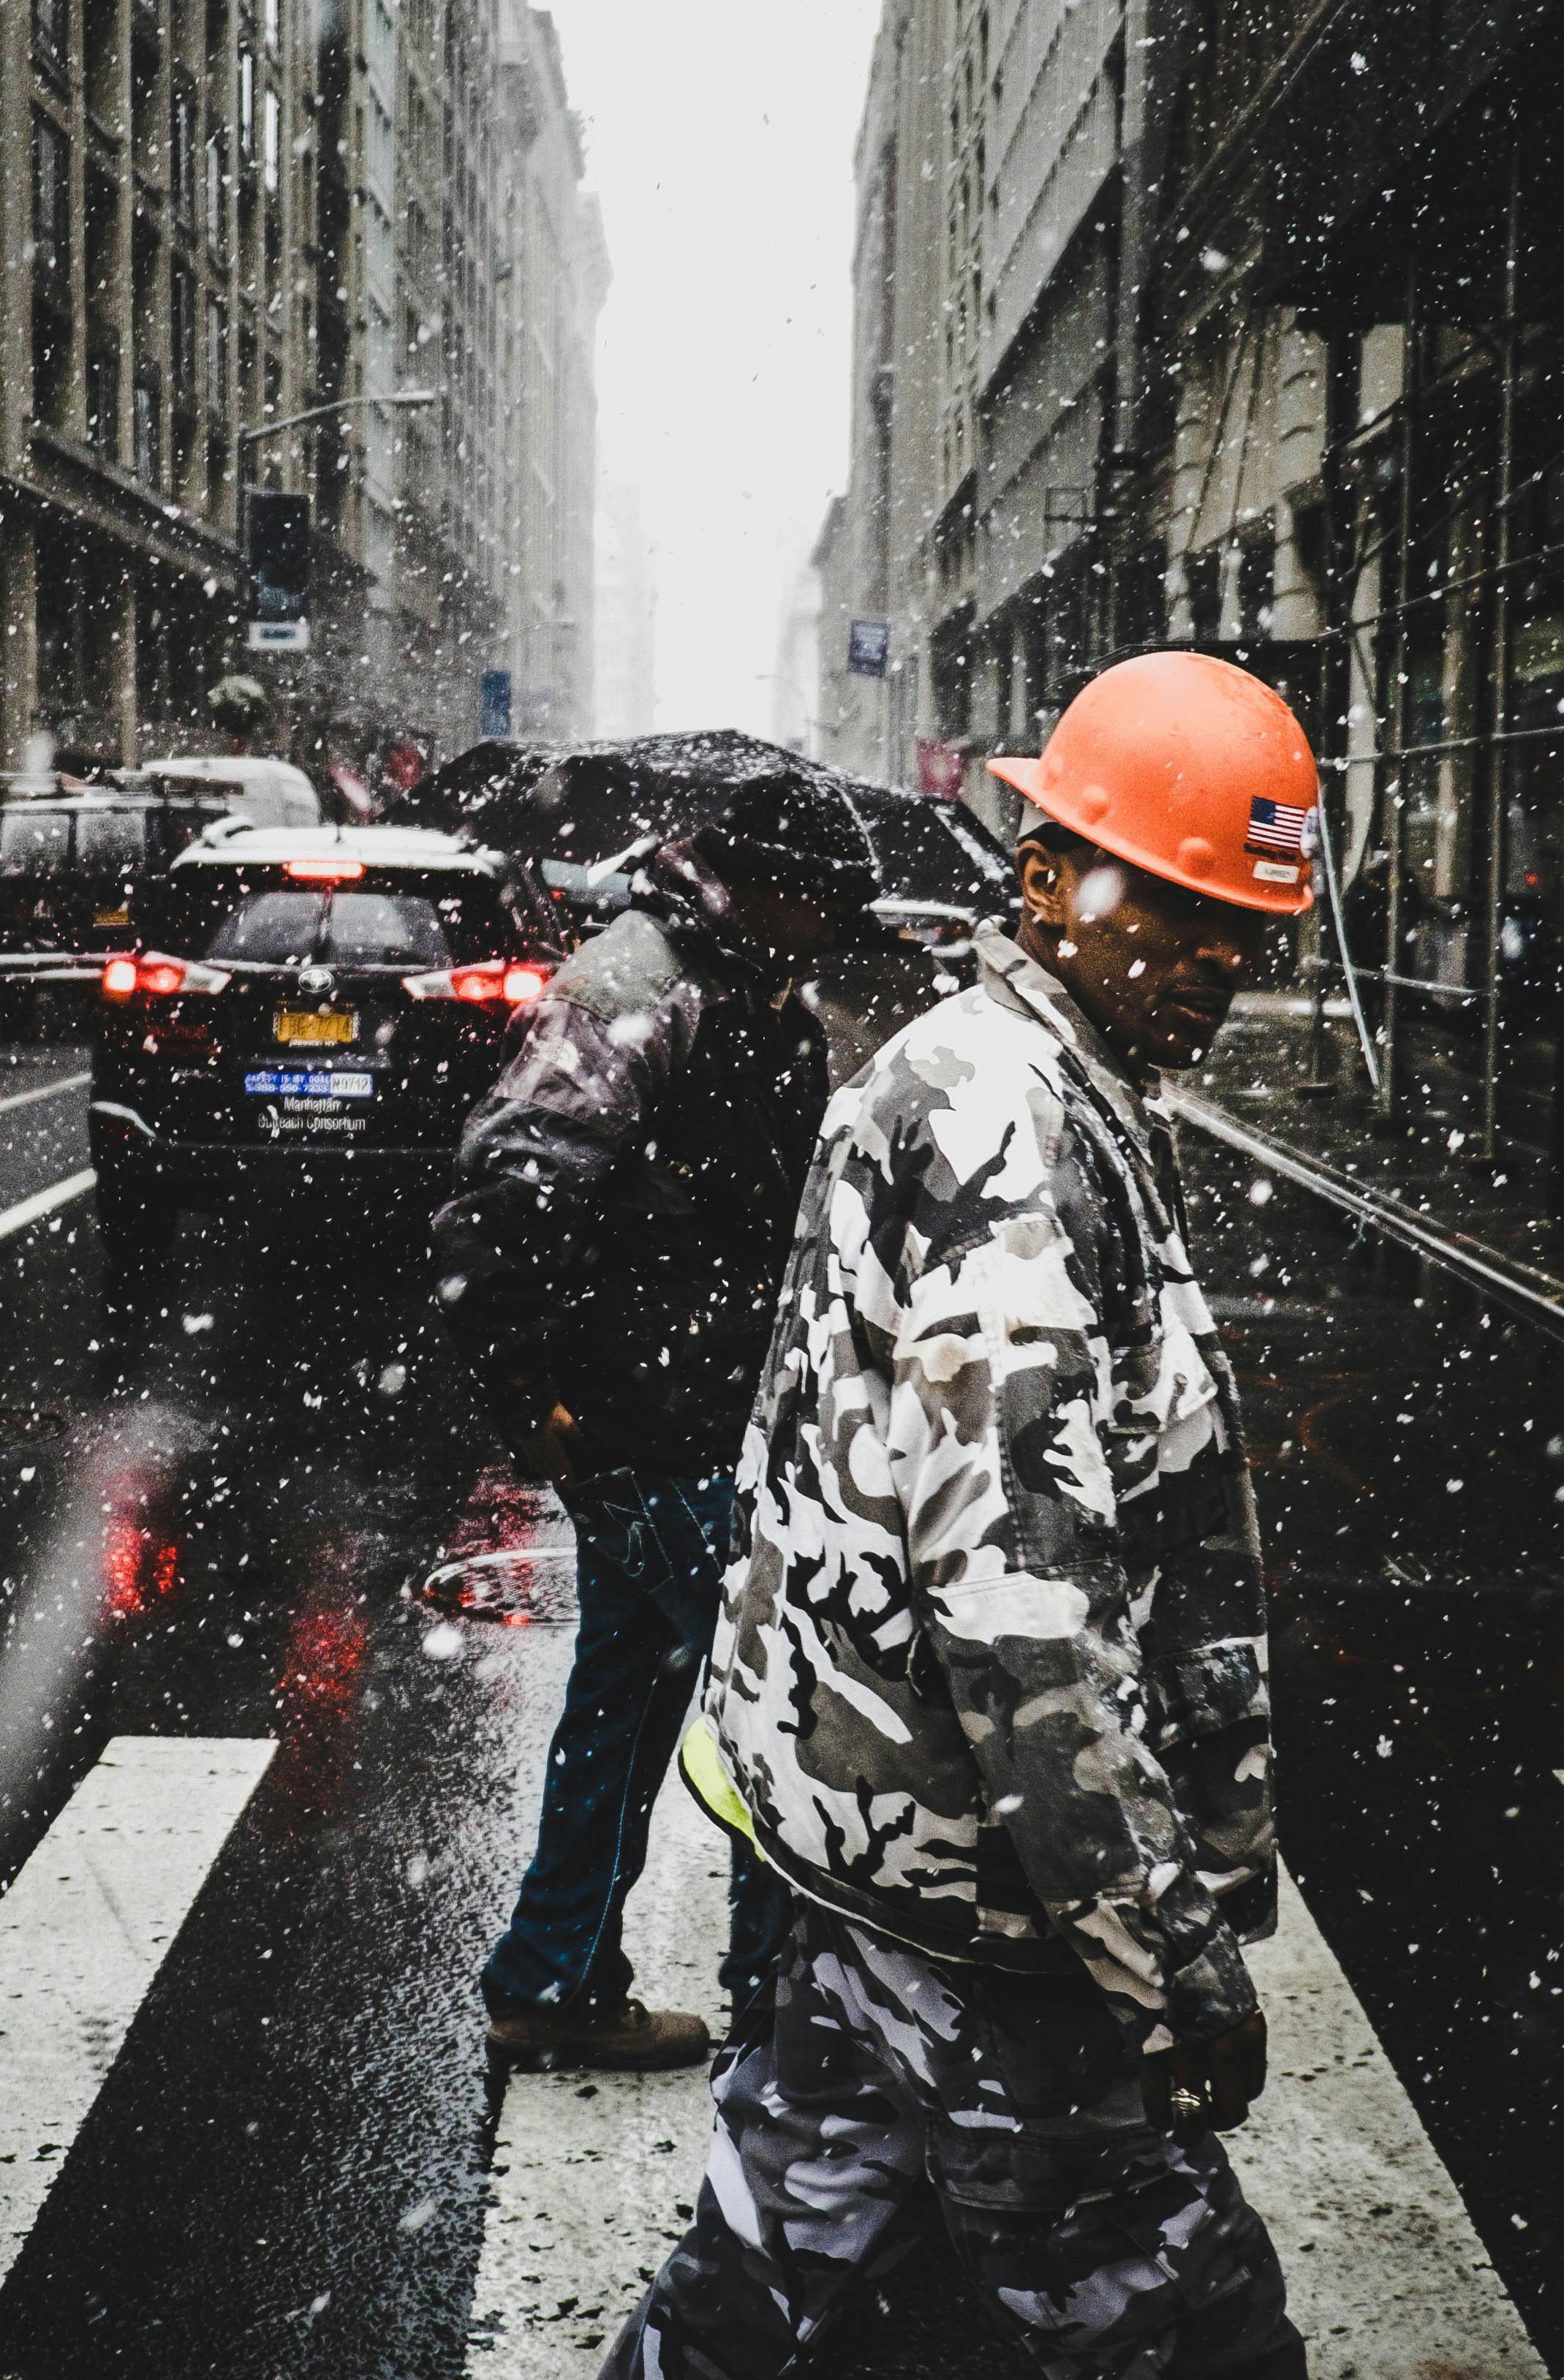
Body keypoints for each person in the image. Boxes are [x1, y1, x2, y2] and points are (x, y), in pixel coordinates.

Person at [609, 652, 1321, 2378]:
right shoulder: (1007, 1118)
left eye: (1244, 926)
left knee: (772, 2290)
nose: (1216, 960)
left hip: (898, 1864)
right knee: (1188, 2335)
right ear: (1046, 879)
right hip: (995, 1901)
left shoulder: (1015, 1076)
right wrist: (1165, 1952)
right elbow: (1017, 1601)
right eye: (1173, 908)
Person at [431, 771, 885, 2069]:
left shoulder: (741, 987)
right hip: (657, 1421)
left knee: (626, 1701)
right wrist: (534, 1395)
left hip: (700, 1408)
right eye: (828, 906)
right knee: (780, 1705)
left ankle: (553, 1978)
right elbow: (507, 1190)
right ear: (769, 889)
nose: (839, 932)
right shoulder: (643, 984)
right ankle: (784, 2028)